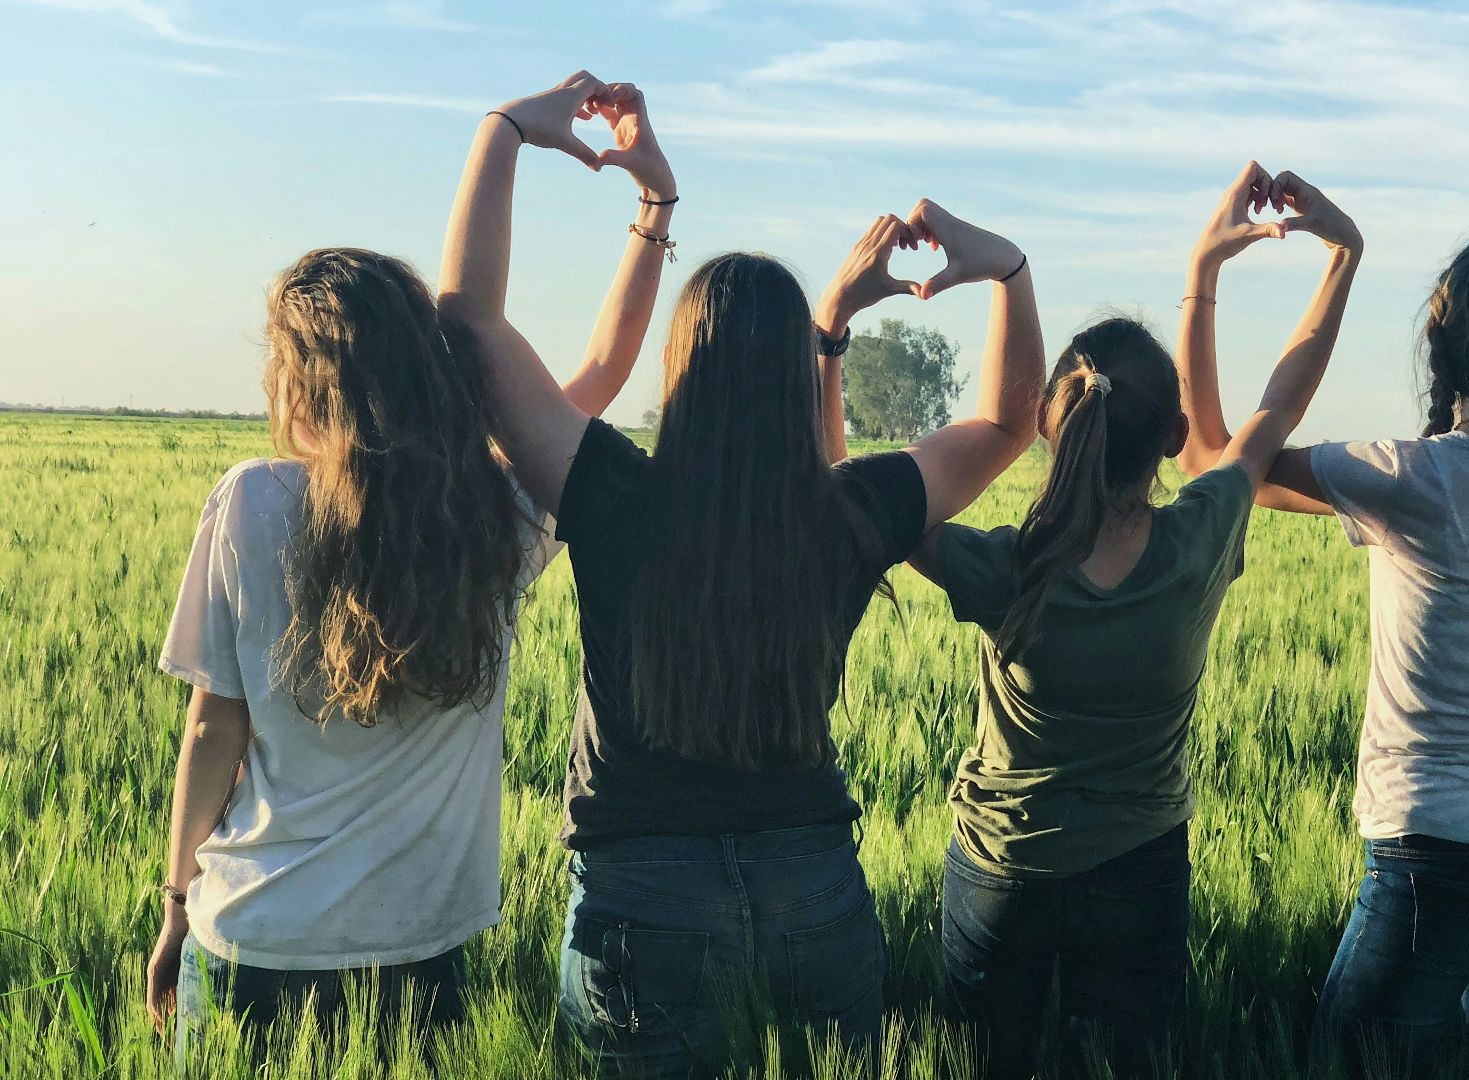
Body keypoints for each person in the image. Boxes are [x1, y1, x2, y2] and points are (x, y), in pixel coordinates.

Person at [437, 72, 1046, 1076]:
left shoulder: (612, 493)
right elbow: (1007, 423)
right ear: (788, 382)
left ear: (682, 370)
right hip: (816, 891)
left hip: (643, 901)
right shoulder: (850, 513)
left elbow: (468, 325)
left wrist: (503, 130)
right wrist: (1008, 272)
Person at [144, 83, 668, 1056]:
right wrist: (652, 211)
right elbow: (602, 368)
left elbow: (213, 726)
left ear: (299, 381)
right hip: (418, 958)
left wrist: (178, 903)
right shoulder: (494, 514)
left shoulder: (250, 502)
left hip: (252, 938)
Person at [904, 162, 1361, 1080]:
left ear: (1049, 428)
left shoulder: (1007, 565)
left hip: (1003, 871)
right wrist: (1330, 257)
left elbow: (861, 503)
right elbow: (1277, 405)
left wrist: (833, 331)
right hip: (1142, 872)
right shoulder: (1199, 539)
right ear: (1168, 434)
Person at [1178, 218, 1469, 1077]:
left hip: (1434, 858)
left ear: (1444, 339)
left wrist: (1204, 272)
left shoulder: (1407, 476)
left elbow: (1210, 459)